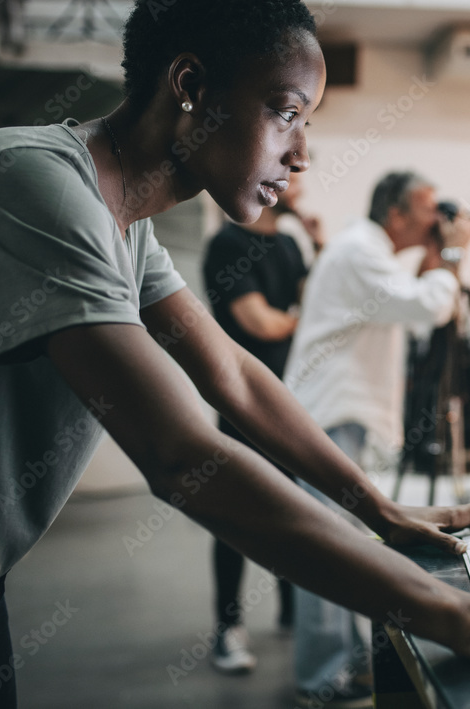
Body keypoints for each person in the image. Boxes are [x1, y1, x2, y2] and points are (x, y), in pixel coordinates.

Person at [0, 2, 470, 707]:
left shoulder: (122, 225)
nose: (303, 154)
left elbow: (236, 378)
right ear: (190, 87)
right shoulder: (32, 185)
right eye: (287, 112)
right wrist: (454, 613)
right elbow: (178, 451)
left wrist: (379, 509)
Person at [282, 171, 470, 706]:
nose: (438, 219)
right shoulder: (356, 252)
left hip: (337, 415)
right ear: (395, 214)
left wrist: (441, 259)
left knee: (343, 541)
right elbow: (426, 307)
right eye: (428, 208)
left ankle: (341, 664)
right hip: (328, 416)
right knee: (326, 545)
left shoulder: (368, 251)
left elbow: (419, 307)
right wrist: (455, 257)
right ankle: (322, 678)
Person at [201, 171, 322, 674]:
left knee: (295, 506)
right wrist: (303, 316)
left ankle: (296, 613)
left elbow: (313, 300)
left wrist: (318, 245)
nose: (301, 185)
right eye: (291, 178)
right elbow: (261, 322)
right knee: (237, 513)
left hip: (292, 400)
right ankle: (228, 628)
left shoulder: (292, 247)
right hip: (243, 402)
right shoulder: (227, 245)